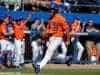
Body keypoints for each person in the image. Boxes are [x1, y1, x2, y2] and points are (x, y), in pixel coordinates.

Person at [33, 7, 69, 74]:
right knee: (53, 55)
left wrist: (67, 39)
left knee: (49, 52)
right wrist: (45, 38)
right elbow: (48, 30)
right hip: (51, 38)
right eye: (50, 10)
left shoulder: (60, 18)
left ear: (55, 11)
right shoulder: (50, 18)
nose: (51, 11)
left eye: (52, 10)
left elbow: (67, 29)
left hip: (58, 38)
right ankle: (66, 58)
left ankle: (39, 66)